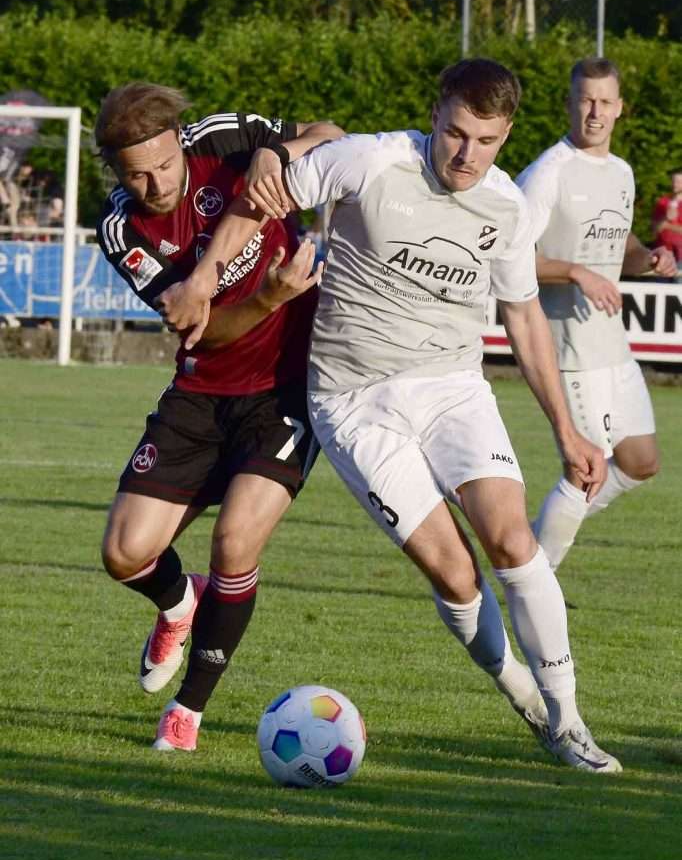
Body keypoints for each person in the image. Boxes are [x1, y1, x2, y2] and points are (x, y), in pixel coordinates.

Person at [163, 59, 624, 774]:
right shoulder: (371, 161)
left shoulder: (503, 206)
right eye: (457, 134)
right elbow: (260, 197)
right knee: (456, 574)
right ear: (435, 114)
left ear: (506, 137)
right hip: (355, 402)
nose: (467, 156)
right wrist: (202, 275)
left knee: (511, 541)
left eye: (488, 141)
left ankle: (569, 723)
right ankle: (528, 706)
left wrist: (568, 432)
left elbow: (525, 318)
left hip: (452, 389)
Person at [95, 82, 343, 752]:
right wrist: (265, 298)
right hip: (202, 393)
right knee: (123, 553)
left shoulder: (222, 138)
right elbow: (207, 332)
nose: (152, 184)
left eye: (162, 165)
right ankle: (180, 604)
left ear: (180, 142)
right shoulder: (122, 230)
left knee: (235, 541)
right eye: (134, 174)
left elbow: (334, 135)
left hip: (284, 392)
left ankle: (189, 711)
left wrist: (277, 155)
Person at [516, 57, 677, 572]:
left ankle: (531, 551)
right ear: (569, 104)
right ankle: (533, 584)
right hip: (568, 352)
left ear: (620, 109)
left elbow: (620, 239)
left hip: (612, 346)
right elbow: (509, 256)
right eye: (585, 99)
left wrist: (648, 258)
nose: (594, 111)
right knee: (587, 472)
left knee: (640, 462)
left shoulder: (622, 173)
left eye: (605, 102)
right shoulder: (547, 174)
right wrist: (577, 272)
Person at [651, 167, 682, 269]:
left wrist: (666, 225)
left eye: (678, 182)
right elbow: (654, 230)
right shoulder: (663, 202)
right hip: (663, 255)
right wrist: (665, 218)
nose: (675, 184)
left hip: (680, 256)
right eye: (673, 181)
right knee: (660, 284)